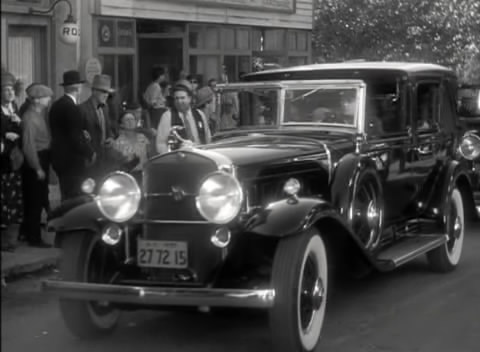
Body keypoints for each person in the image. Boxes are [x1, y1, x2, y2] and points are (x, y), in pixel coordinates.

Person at [49, 70, 95, 200]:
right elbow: (75, 137)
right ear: (78, 87)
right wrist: (90, 152)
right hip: (72, 161)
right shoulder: (72, 108)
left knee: (66, 194)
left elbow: (62, 130)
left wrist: (80, 132)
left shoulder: (56, 105)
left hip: (59, 159)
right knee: (74, 197)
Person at [20, 84, 53, 247]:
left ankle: (28, 233)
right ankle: (33, 238)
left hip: (42, 158)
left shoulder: (39, 115)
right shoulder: (29, 118)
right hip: (36, 160)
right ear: (38, 100)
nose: (49, 99)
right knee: (34, 201)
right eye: (46, 97)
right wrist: (37, 167)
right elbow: (28, 146)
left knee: (39, 198)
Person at [0, 72, 24, 251]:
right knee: (4, 201)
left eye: (11, 90)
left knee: (14, 199)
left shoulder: (14, 107)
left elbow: (21, 133)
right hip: (2, 161)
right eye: (6, 90)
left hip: (14, 161)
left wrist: (19, 123)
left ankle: (11, 240)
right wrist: (5, 135)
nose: (9, 93)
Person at [79, 74, 118, 180]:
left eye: (108, 92)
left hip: (104, 159)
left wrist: (111, 138)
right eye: (103, 92)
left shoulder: (105, 108)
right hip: (89, 160)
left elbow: (108, 128)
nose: (106, 95)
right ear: (94, 91)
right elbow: (78, 137)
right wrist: (89, 154)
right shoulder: (82, 109)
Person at [156, 83, 211, 155]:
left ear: (189, 99)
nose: (179, 101)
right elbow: (160, 144)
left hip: (201, 156)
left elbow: (208, 138)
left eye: (182, 98)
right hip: (179, 161)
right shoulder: (167, 116)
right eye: (176, 98)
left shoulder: (199, 114)